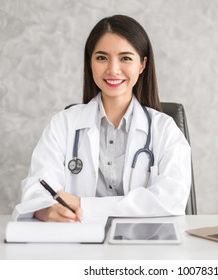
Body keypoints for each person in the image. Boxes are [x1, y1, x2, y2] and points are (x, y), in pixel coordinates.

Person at [12, 15, 191, 222]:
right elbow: (38, 186)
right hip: (79, 241)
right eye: (101, 58)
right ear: (90, 63)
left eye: (125, 58)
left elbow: (171, 199)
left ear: (142, 65)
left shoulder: (164, 129)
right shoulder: (64, 123)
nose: (113, 69)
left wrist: (84, 205)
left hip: (144, 245)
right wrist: (45, 209)